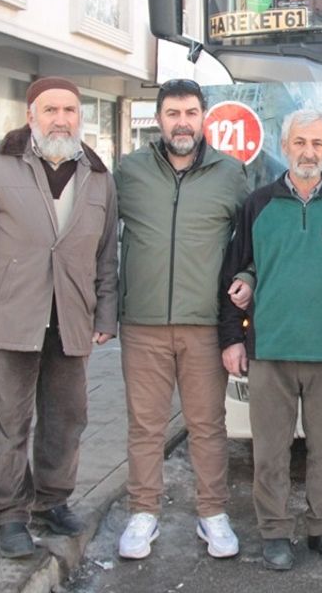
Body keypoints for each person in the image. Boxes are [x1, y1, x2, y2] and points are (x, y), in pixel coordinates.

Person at [0, 77, 119, 558]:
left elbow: (107, 253)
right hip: (10, 319)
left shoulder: (98, 174)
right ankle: (9, 515)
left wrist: (104, 312)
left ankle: (52, 501)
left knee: (67, 419)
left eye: (69, 110)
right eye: (50, 110)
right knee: (8, 422)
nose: (61, 119)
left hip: (71, 318)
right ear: (31, 116)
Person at [218, 109, 322, 571]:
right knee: (270, 451)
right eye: (300, 142)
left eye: (318, 144)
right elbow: (235, 272)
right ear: (285, 147)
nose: (309, 151)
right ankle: (275, 532)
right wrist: (233, 339)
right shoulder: (259, 204)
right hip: (271, 351)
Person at [113, 79, 249, 561]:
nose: (183, 122)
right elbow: (100, 240)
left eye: (191, 112)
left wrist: (249, 276)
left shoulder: (231, 174)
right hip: (143, 323)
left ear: (203, 117)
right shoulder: (129, 172)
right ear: (159, 118)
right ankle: (142, 512)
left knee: (208, 425)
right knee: (145, 425)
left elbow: (249, 242)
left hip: (204, 324)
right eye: (173, 113)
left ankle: (212, 513)